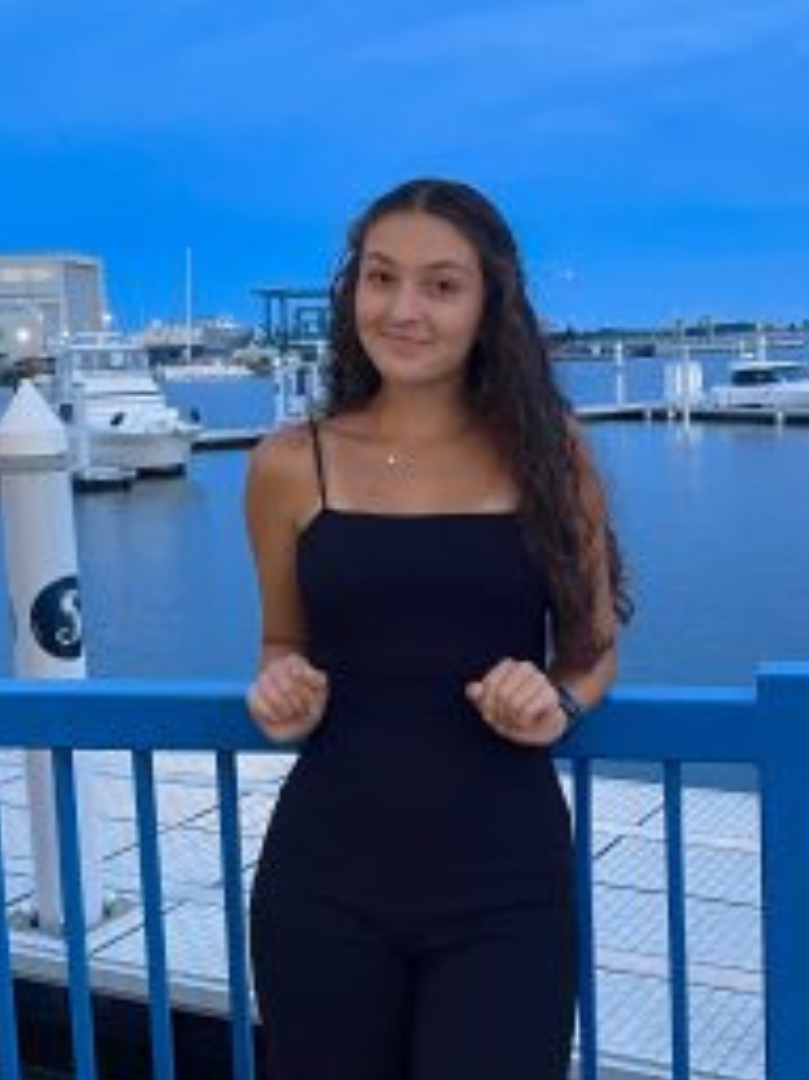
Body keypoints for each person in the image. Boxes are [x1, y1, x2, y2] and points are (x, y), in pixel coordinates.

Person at [244, 177, 630, 1080]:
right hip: (323, 883)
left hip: (507, 889)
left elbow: (591, 650)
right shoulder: (289, 464)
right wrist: (282, 690)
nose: (403, 309)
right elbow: (281, 642)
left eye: (442, 285)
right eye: (381, 278)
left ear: (490, 304)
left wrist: (559, 703)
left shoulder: (549, 453)